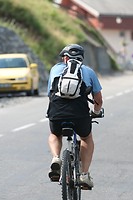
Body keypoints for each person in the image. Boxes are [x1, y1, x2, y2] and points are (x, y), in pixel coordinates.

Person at [46, 44, 103, 189]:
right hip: (79, 115)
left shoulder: (55, 70)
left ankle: (56, 158)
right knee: (86, 138)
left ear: (65, 58)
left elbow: (50, 94)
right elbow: (98, 99)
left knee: (54, 134)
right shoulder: (88, 72)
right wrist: (96, 112)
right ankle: (84, 174)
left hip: (57, 113)